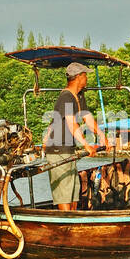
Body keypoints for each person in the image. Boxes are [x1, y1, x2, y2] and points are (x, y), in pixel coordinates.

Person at [43, 62, 108, 210]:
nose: (87, 79)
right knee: (64, 191)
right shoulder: (66, 96)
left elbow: (88, 118)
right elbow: (72, 124)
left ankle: (73, 219)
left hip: (68, 149)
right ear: (78, 77)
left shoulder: (79, 96)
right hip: (58, 149)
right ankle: (66, 223)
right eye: (85, 75)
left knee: (73, 191)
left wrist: (101, 135)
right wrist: (86, 144)